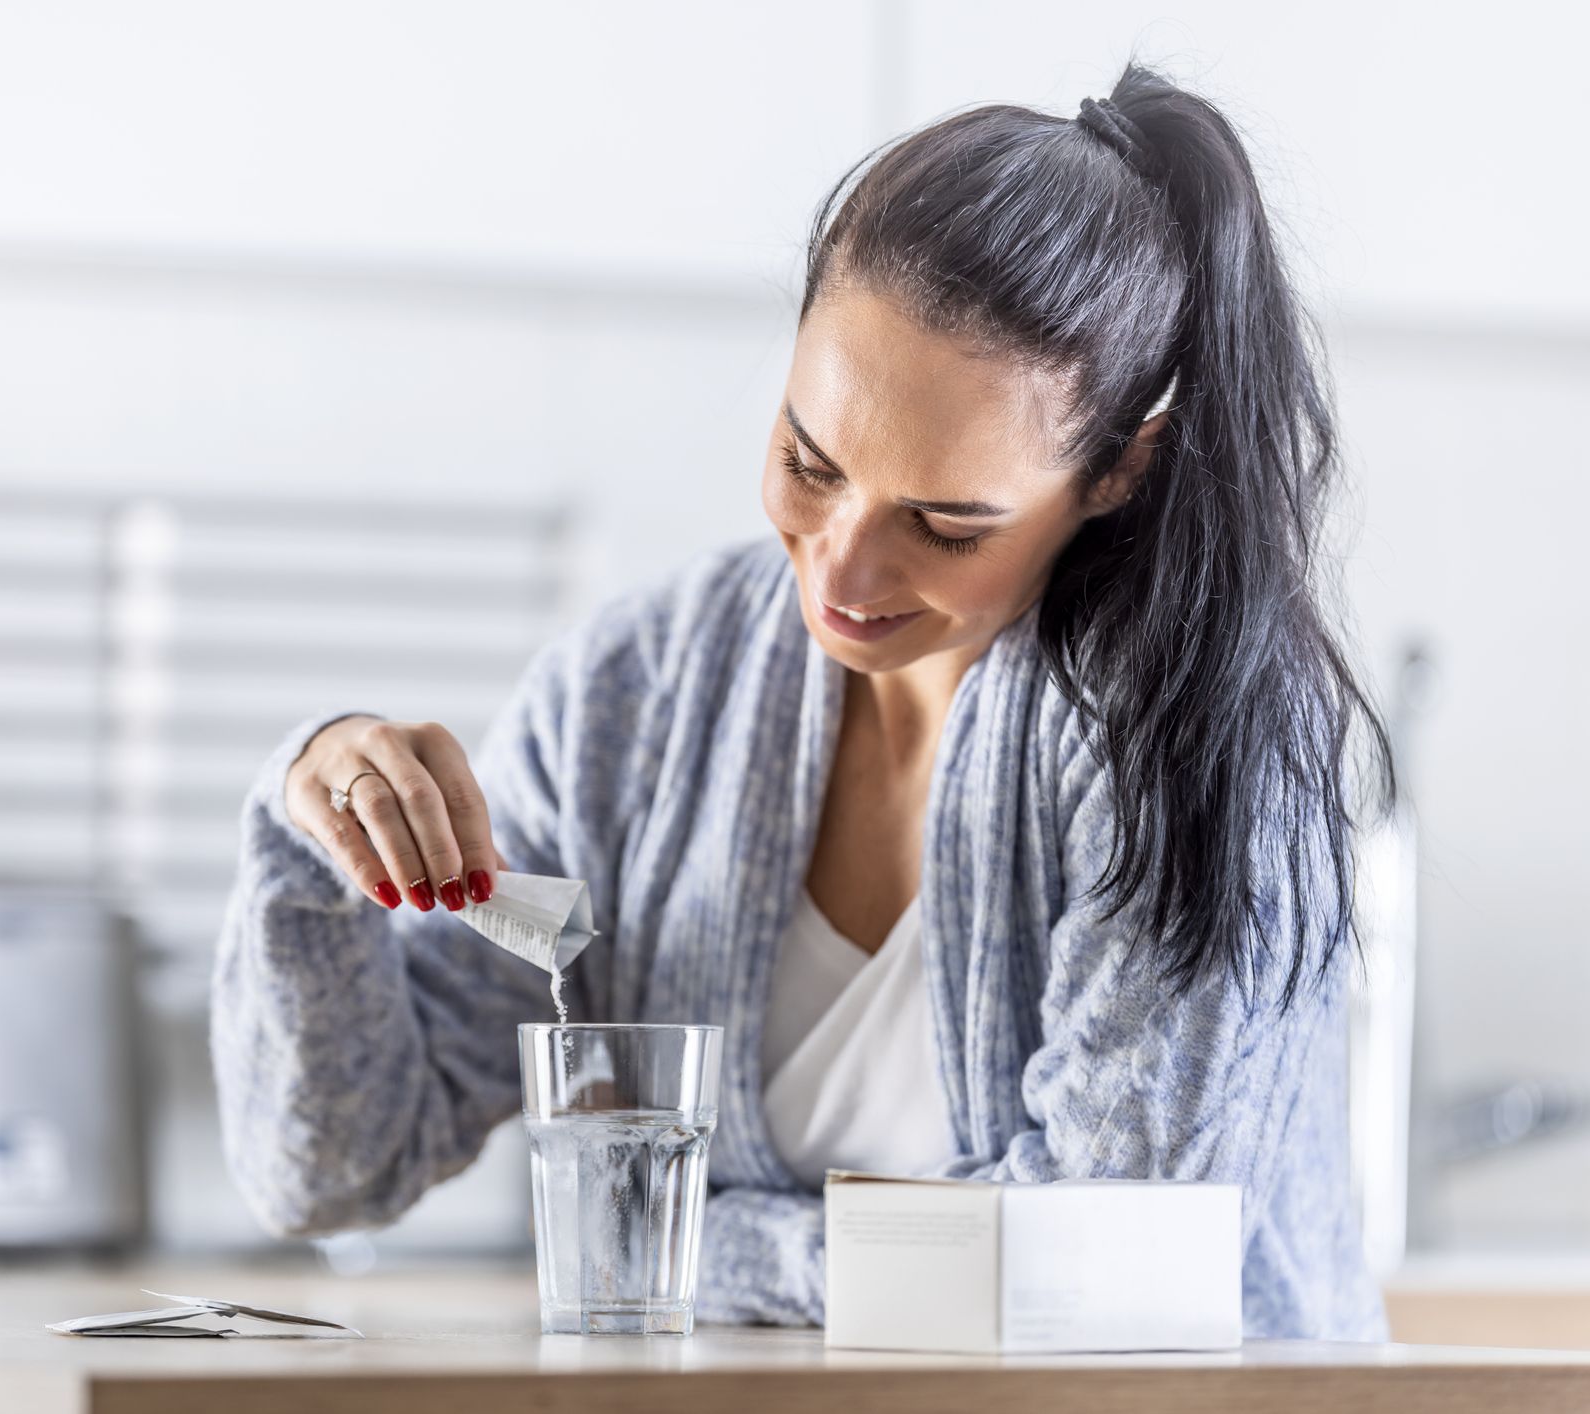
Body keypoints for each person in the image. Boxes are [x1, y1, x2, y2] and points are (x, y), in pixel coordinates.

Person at [209, 58, 1395, 1339]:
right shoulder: (637, 691)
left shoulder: (1192, 735)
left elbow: (1095, 1266)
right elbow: (333, 1168)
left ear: (1118, 471)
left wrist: (676, 1238)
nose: (838, 570)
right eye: (805, 460)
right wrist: (314, 820)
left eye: (945, 524)